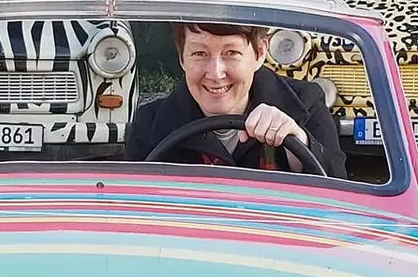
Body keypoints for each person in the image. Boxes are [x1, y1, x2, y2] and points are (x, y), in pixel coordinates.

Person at [125, 21, 346, 176]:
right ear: (182, 58)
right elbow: (134, 209)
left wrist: (298, 143)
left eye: (231, 53)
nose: (215, 73)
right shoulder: (150, 125)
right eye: (200, 53)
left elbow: (340, 201)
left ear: (260, 53)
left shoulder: (305, 104)